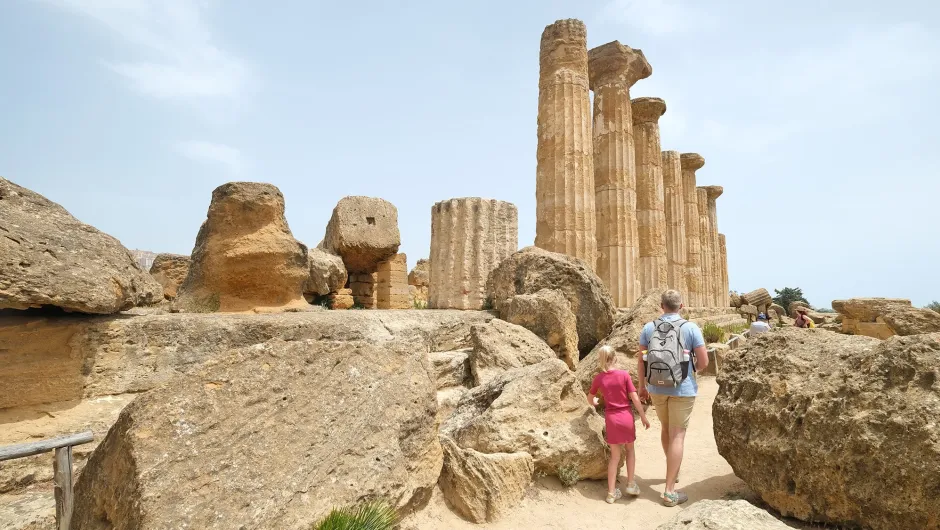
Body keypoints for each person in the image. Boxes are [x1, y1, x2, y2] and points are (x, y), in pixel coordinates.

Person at [637, 289, 709, 507]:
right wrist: (689, 370)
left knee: (666, 430)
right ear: (682, 306)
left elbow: (642, 360)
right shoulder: (690, 327)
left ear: (661, 306)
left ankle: (672, 471)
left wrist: (642, 387)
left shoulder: (648, 328)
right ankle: (669, 491)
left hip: (656, 387)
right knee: (678, 435)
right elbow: (704, 361)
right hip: (682, 388)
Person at [587, 345, 651, 504]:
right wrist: (643, 416)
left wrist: (594, 402)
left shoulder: (599, 378)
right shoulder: (624, 375)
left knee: (614, 457)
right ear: (615, 358)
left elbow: (590, 398)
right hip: (626, 418)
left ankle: (610, 493)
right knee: (630, 450)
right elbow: (635, 398)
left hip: (612, 420)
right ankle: (630, 484)